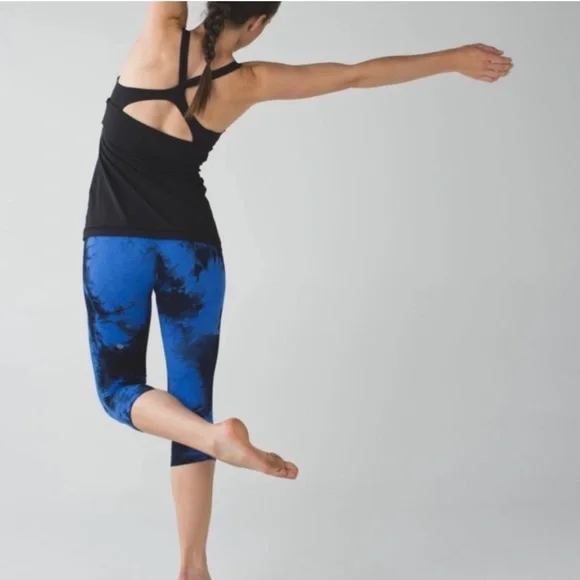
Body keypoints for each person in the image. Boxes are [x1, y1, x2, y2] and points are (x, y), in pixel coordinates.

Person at [82, 2, 512, 579]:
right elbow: (355, 74)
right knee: (192, 398)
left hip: (116, 247)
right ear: (258, 24)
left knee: (119, 390)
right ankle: (193, 565)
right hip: (194, 252)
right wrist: (454, 58)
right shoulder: (251, 82)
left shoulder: (161, 34)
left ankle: (213, 447)